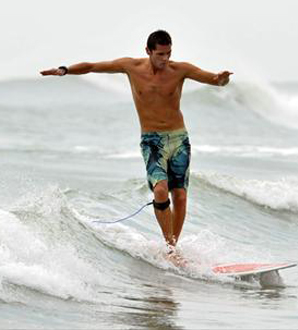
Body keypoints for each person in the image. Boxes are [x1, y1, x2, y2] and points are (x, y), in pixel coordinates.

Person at [40, 30, 232, 260]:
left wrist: (222, 78)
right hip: (152, 140)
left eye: (169, 53)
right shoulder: (130, 67)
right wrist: (65, 70)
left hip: (179, 139)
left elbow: (214, 80)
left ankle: (172, 249)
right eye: (160, 54)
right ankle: (170, 245)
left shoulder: (180, 70)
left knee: (180, 195)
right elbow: (92, 66)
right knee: (161, 190)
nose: (165, 58)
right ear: (148, 51)